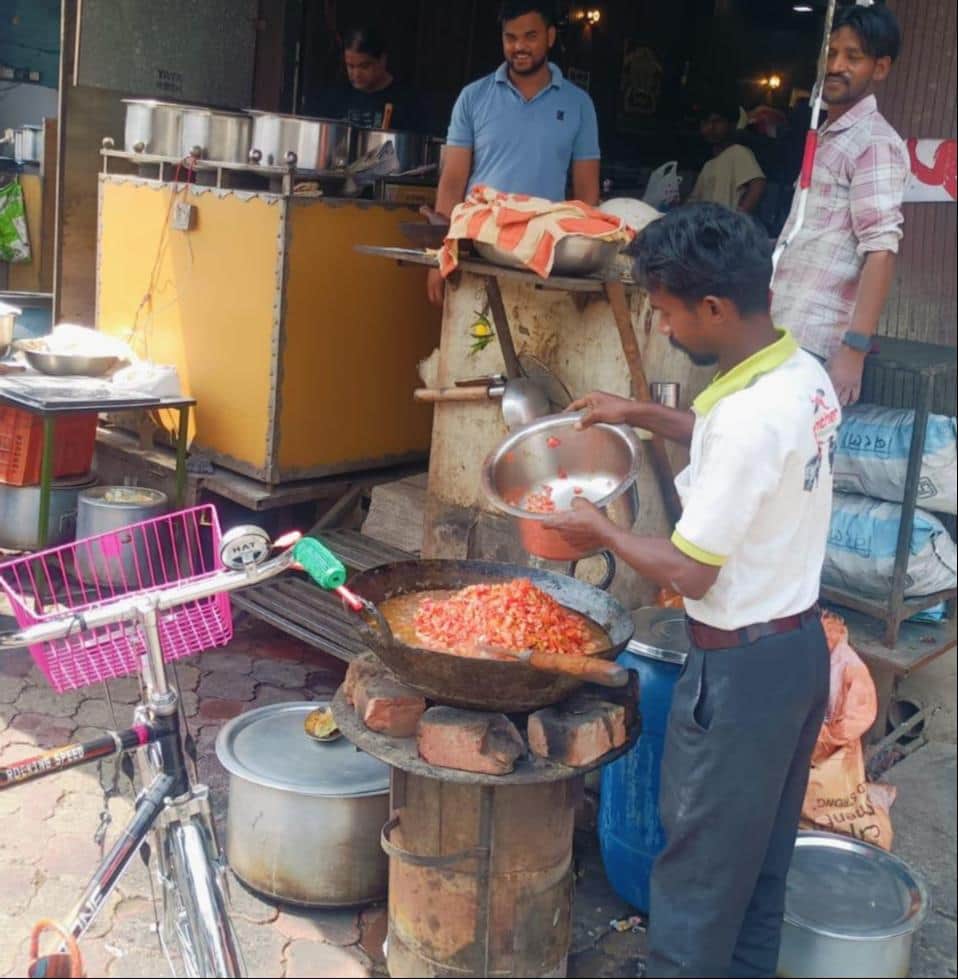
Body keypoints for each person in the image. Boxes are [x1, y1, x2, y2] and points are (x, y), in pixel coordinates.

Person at [543, 203, 839, 978]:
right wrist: (635, 413)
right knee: (758, 872)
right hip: (799, 656)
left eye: (668, 313)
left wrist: (599, 531)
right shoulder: (798, 371)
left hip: (739, 675)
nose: (665, 328)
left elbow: (687, 569)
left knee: (696, 882)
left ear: (713, 307)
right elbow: (717, 427)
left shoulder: (748, 418)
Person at [771, 4, 908, 406]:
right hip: (786, 330)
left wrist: (854, 350)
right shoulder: (830, 135)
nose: (835, 65)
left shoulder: (874, 143)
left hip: (818, 342)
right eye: (831, 53)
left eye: (853, 57)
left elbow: (881, 252)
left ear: (879, 69)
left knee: (799, 462)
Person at [426, 1, 601, 304]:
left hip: (545, 259)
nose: (519, 46)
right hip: (478, 251)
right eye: (510, 37)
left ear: (550, 37)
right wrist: (440, 255)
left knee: (537, 348)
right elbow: (453, 180)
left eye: (530, 37)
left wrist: (581, 268)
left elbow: (587, 192)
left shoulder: (579, 104)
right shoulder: (473, 97)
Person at [307, 26, 422, 131]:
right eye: (350, 66)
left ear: (382, 60)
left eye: (364, 66)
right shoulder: (335, 97)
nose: (356, 74)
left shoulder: (407, 103)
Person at [687, 98, 767, 214]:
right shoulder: (708, 165)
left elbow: (758, 185)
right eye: (705, 123)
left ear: (732, 125)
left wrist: (737, 220)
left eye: (717, 122)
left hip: (727, 227)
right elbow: (693, 201)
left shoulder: (738, 152)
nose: (710, 127)